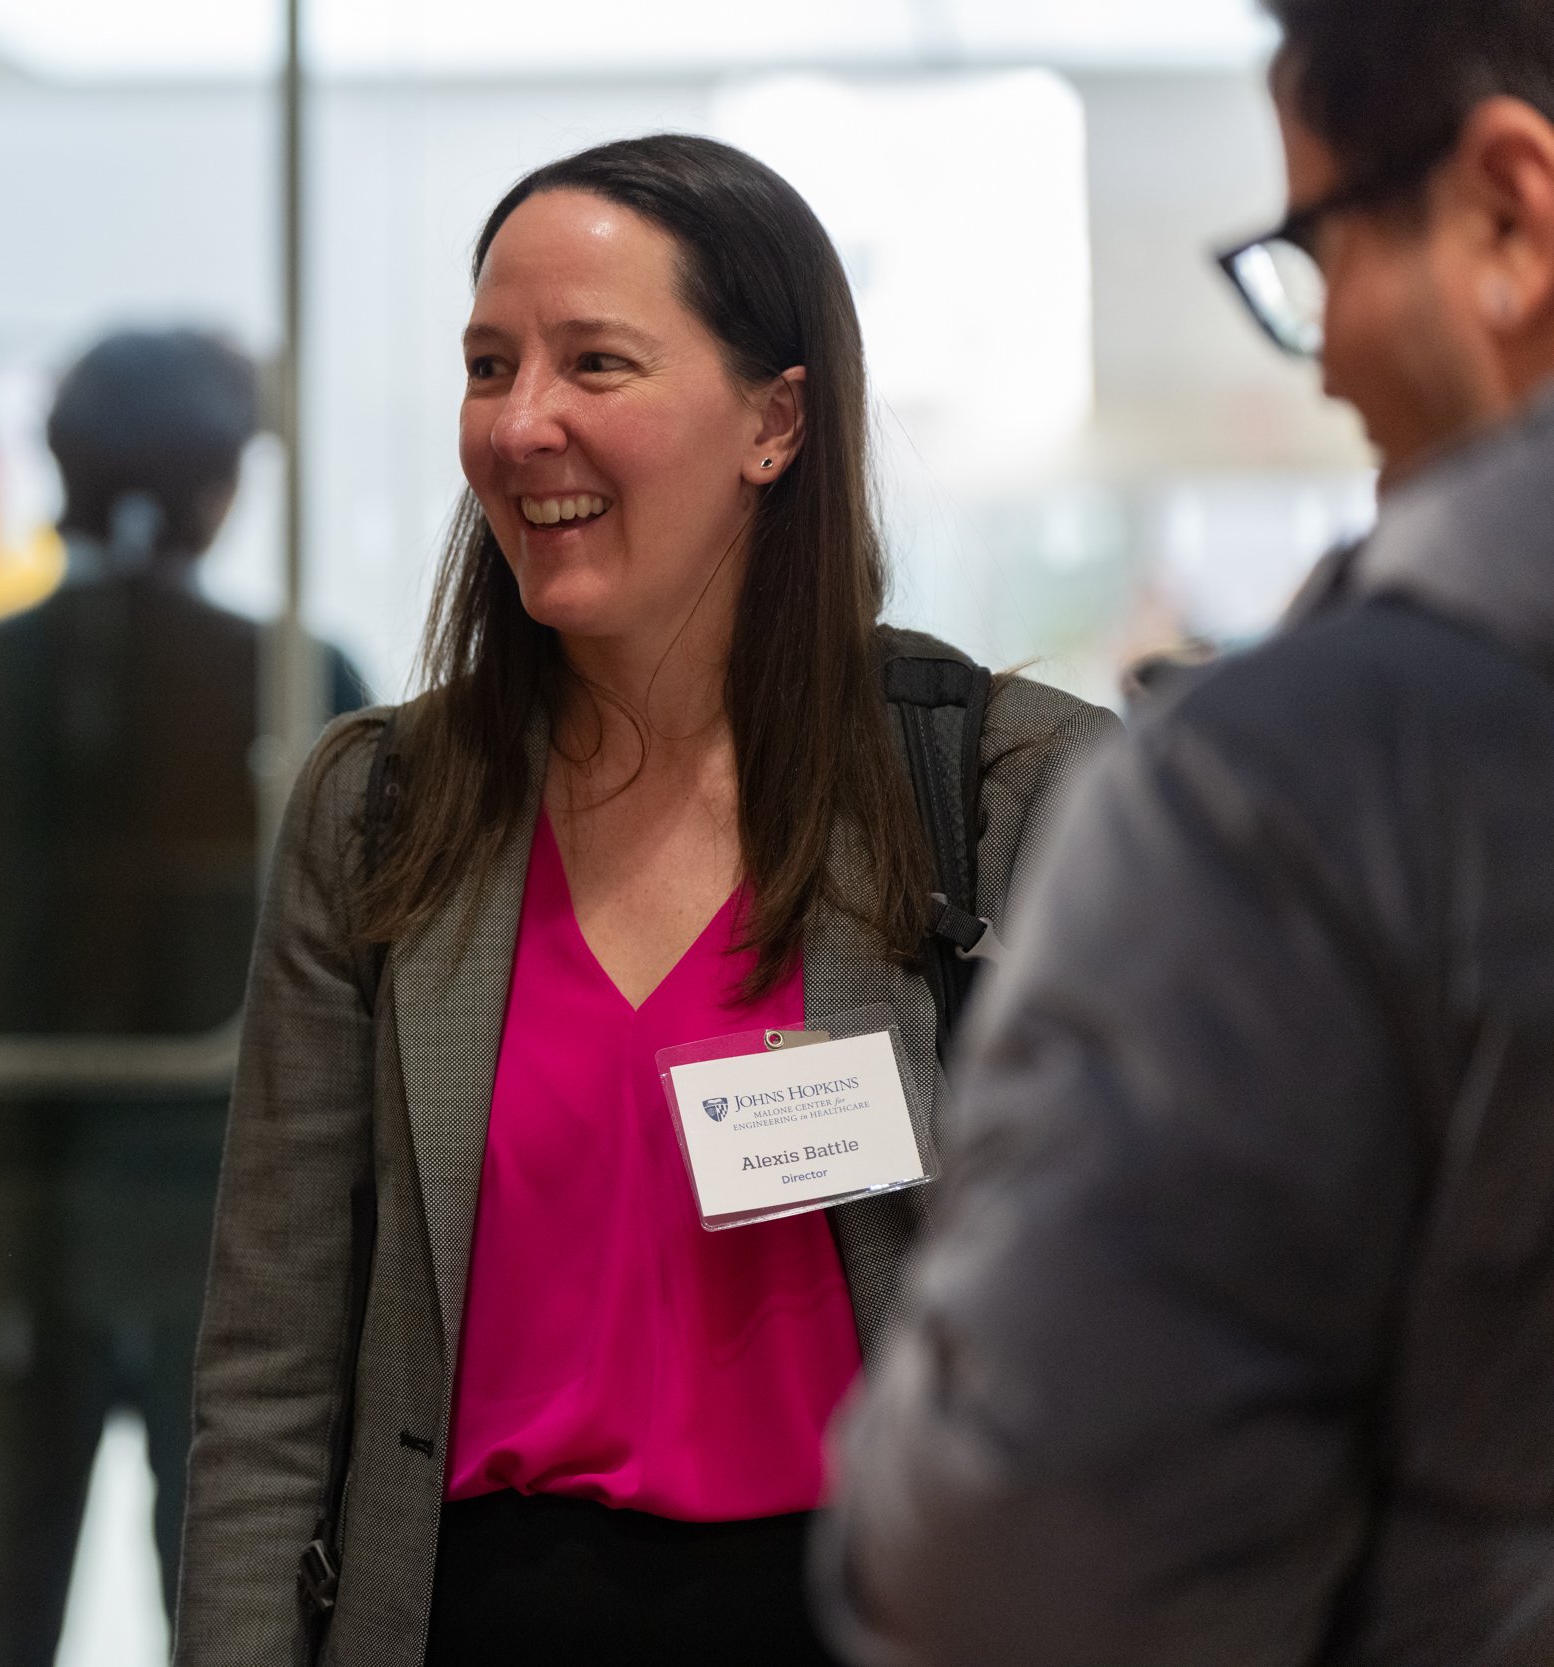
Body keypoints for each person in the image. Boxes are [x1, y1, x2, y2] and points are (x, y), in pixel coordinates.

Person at [176, 134, 1115, 1667]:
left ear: (776, 420)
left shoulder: (1013, 793)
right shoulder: (384, 810)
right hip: (468, 1616)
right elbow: (270, 1372)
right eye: (490, 365)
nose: (522, 422)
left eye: (595, 363)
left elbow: (1136, 1335)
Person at [819, 3, 1554, 1663]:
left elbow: (1029, 1550)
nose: (1328, 350)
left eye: (1317, 246)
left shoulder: (1287, 793)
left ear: (1507, 211)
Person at [0, 328, 367, 1667]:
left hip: (28, 1211)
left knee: (9, 1601)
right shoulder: (305, 683)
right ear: (220, 487)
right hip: (236, 1230)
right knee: (231, 1603)